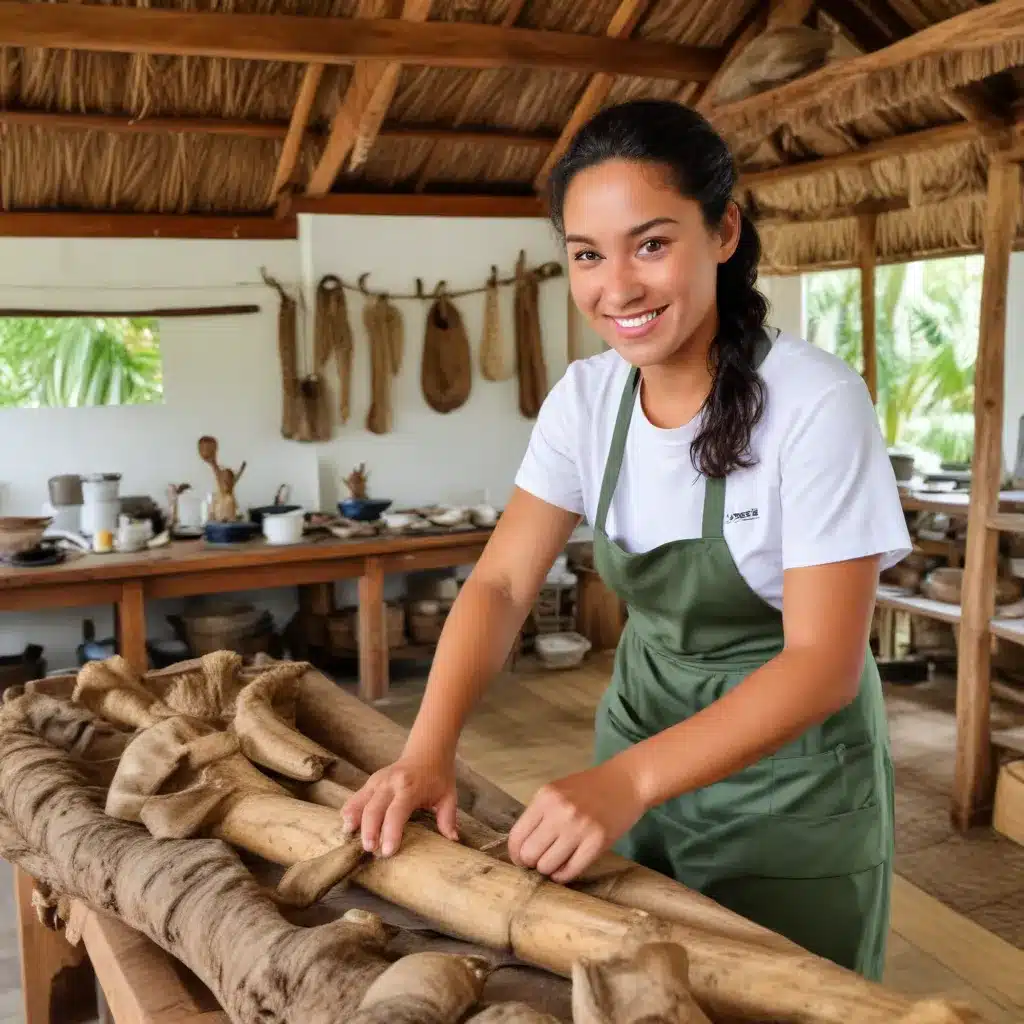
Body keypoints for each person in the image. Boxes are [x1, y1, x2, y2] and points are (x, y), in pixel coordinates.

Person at [341, 98, 912, 980]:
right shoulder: (586, 399)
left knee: (786, 993)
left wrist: (626, 784)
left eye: (651, 244)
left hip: (787, 784)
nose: (618, 288)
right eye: (586, 255)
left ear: (723, 231)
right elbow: (498, 587)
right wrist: (427, 751)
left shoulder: (816, 403)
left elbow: (823, 662)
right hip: (638, 737)